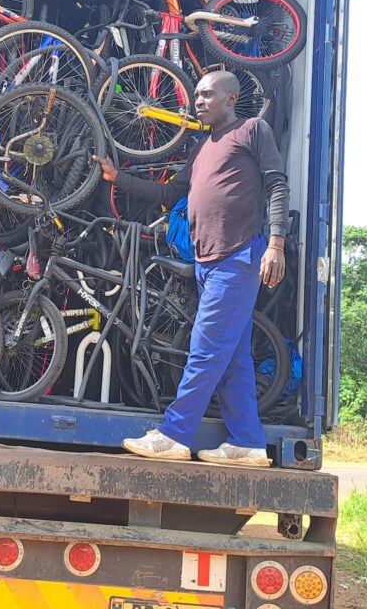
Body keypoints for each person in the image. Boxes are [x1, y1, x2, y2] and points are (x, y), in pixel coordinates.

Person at [93, 70, 288, 467]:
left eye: (207, 95)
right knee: (232, 358)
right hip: (206, 261)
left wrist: (276, 244)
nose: (197, 101)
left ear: (231, 98)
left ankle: (173, 434)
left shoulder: (253, 130)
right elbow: (169, 193)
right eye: (196, 95)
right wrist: (119, 178)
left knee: (204, 350)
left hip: (237, 257)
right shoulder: (201, 148)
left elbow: (277, 185)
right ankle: (248, 442)